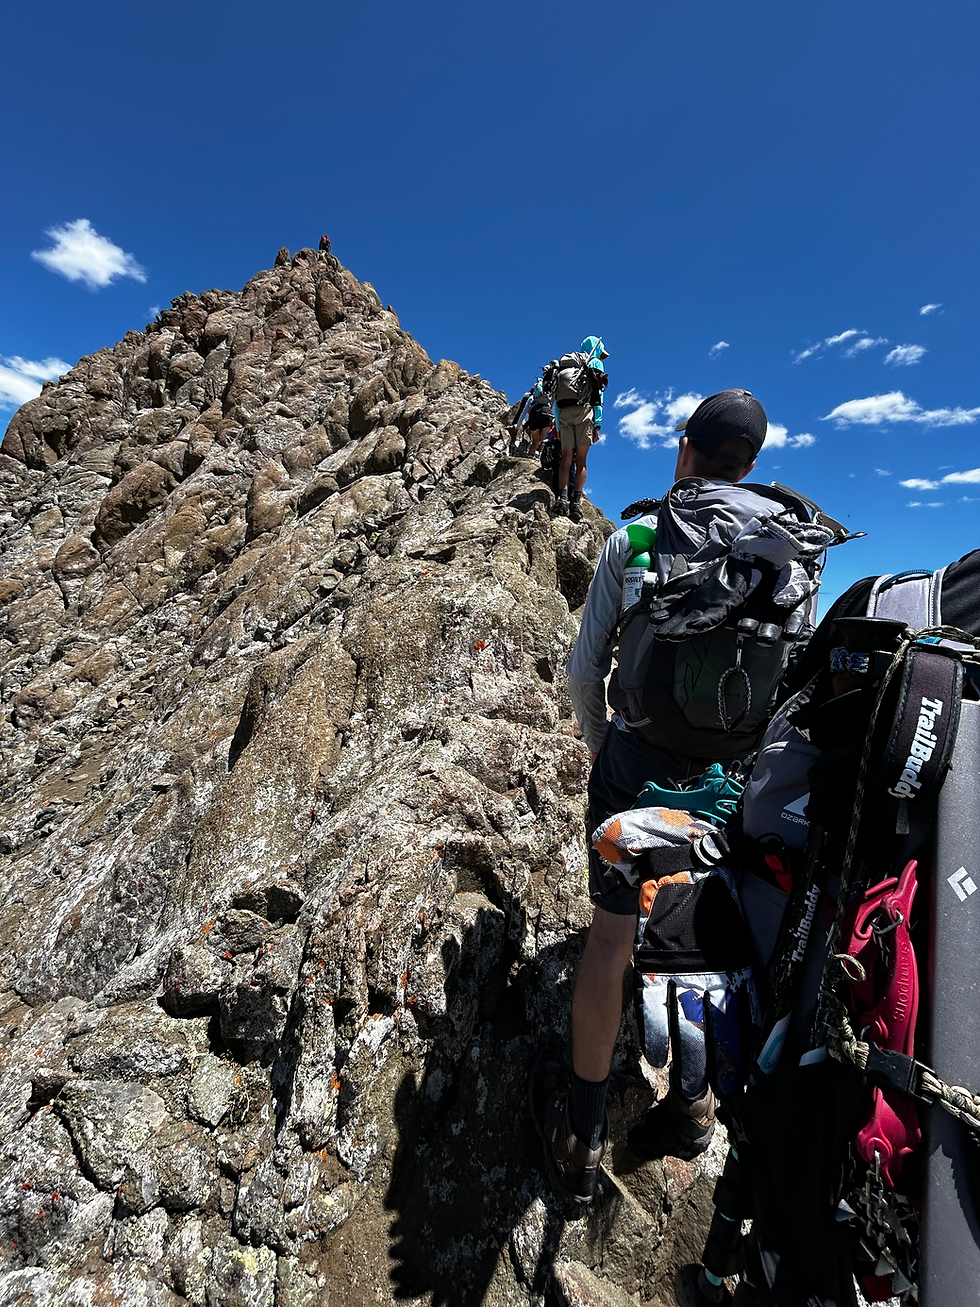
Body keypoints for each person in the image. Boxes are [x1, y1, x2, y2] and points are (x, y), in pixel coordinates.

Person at [531, 389, 776, 1207]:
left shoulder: (635, 538)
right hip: (726, 788)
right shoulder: (784, 555)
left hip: (633, 772)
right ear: (749, 464)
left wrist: (606, 748)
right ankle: (693, 1109)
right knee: (699, 940)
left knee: (610, 938)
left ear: (685, 452)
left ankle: (580, 1136)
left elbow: (580, 669)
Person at [554, 336, 608, 523]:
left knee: (566, 458)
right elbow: (598, 395)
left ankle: (561, 500)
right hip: (585, 412)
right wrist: (597, 424)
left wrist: (559, 424)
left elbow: (555, 399)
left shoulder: (566, 366)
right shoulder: (594, 362)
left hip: (565, 412)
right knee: (582, 460)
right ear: (597, 347)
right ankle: (575, 504)